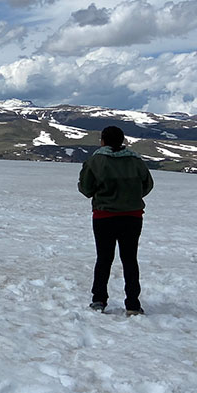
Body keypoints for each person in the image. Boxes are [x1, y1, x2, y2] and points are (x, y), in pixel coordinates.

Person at [78, 125, 154, 316]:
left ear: (103, 140)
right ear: (122, 141)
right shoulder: (136, 160)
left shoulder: (95, 161)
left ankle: (99, 300)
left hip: (104, 216)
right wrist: (131, 198)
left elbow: (86, 189)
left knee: (104, 259)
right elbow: (147, 184)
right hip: (133, 216)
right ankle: (133, 304)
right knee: (129, 259)